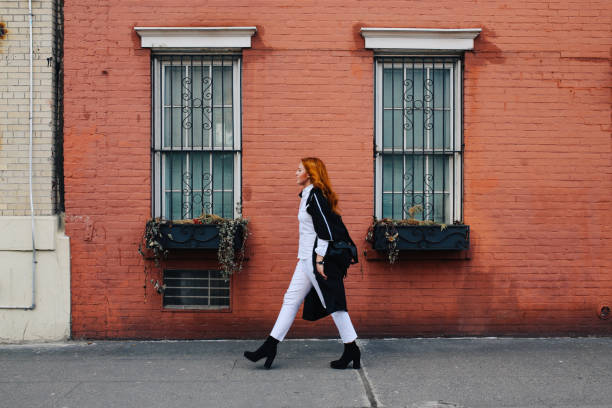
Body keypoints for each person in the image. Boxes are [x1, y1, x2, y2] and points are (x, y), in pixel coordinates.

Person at [244, 157, 360, 370]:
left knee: (333, 304)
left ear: (310, 174)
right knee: (291, 299)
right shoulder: (308, 195)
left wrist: (320, 260)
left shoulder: (315, 195)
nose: (295, 173)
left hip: (316, 260)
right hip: (306, 259)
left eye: (299, 170)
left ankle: (352, 348)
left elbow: (325, 231)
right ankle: (270, 346)